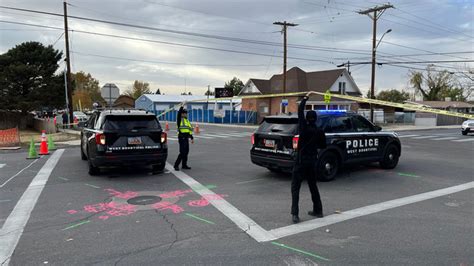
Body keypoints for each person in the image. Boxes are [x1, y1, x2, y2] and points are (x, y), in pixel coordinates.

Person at [291, 92, 327, 224]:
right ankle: (318, 210)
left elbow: (300, 111)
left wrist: (305, 98)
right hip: (312, 162)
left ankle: (295, 214)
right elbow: (323, 145)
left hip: (301, 162)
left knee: (295, 188)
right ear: (316, 119)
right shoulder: (320, 131)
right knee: (313, 186)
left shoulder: (303, 128)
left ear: (307, 118)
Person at [174, 105, 194, 171]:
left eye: (186, 113)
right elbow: (178, 114)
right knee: (182, 152)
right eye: (185, 113)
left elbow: (189, 130)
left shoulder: (187, 120)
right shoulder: (179, 120)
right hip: (181, 138)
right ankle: (176, 165)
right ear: (182, 114)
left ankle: (184, 165)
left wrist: (191, 137)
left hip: (186, 138)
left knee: (186, 152)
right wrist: (182, 106)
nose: (186, 114)